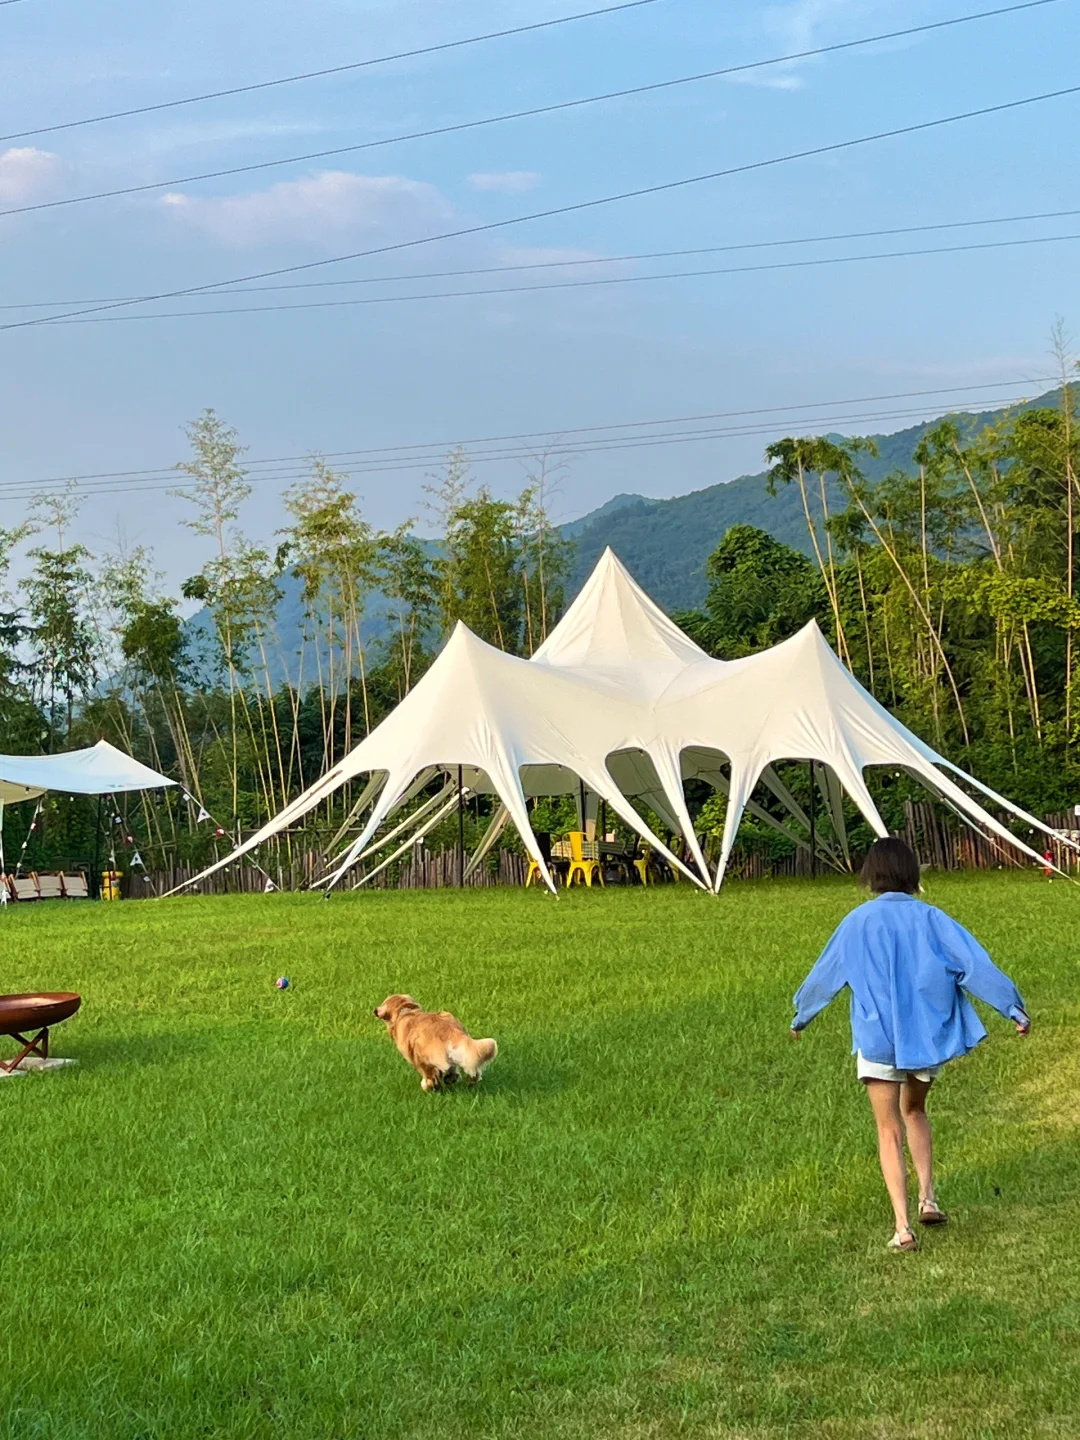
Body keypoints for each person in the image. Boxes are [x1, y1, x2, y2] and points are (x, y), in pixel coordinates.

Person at [791, 836, 1031, 1252]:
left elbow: (825, 975)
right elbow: (974, 965)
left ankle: (902, 1227)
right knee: (916, 1110)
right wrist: (1013, 1009)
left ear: (871, 876)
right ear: (912, 874)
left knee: (888, 1129)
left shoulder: (857, 922)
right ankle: (928, 1197)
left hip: (877, 1037)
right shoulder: (933, 918)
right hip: (926, 1037)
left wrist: (801, 1016)